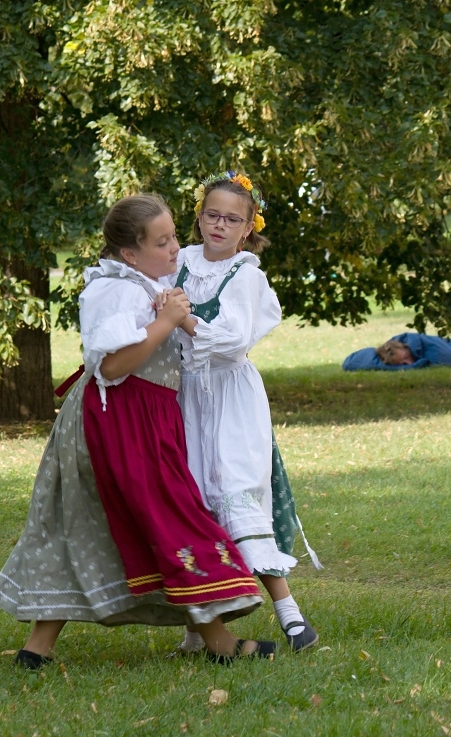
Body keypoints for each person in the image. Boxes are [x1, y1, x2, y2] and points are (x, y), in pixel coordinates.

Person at [0, 194, 274, 667]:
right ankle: (218, 641)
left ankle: (36, 651)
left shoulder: (142, 283)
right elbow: (114, 366)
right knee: (168, 517)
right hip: (120, 423)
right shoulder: (116, 290)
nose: (175, 251)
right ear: (129, 253)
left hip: (140, 420)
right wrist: (166, 321)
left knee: (99, 525)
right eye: (162, 243)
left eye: (174, 238)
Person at [168, 171, 321, 654]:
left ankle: (292, 617)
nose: (220, 225)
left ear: (247, 228)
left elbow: (232, 340)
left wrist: (181, 318)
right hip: (182, 394)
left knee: (236, 493)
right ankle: (198, 629)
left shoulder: (247, 274)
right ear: (198, 218)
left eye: (232, 219)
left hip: (231, 398)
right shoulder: (179, 262)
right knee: (193, 501)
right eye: (212, 215)